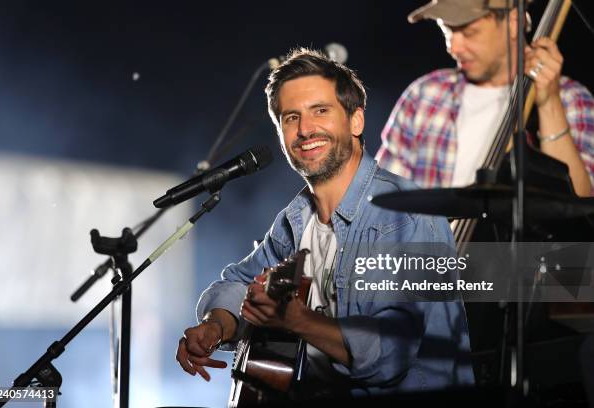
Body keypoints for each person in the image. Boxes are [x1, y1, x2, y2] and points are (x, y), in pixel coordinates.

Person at [175, 49, 474, 399]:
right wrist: (215, 326)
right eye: (290, 117)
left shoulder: (405, 213)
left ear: (356, 121)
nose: (304, 130)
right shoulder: (296, 219)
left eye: (320, 111)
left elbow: (391, 354)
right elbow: (238, 284)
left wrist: (296, 320)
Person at [375, 0, 594, 197]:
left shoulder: (571, 99)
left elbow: (579, 206)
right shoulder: (424, 95)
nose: (453, 47)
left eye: (469, 32)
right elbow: (381, 196)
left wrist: (549, 103)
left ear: (513, 23)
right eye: (447, 30)